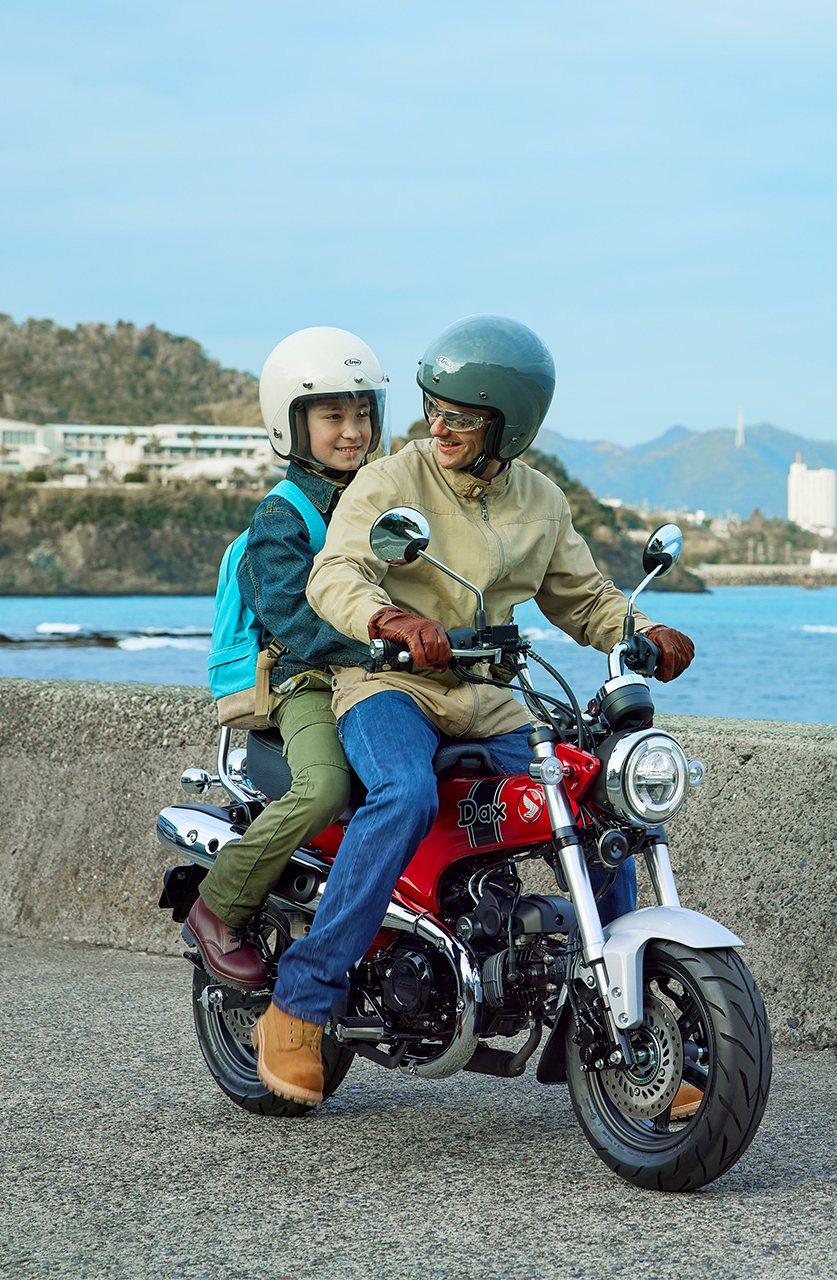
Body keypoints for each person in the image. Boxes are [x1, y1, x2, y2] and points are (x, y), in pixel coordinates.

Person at [251, 314, 695, 1104]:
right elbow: (336, 573)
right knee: (404, 793)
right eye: (433, 407)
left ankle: (610, 1017)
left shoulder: (542, 501)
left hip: (489, 698)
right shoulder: (391, 483)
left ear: (507, 426)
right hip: (390, 686)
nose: (439, 426)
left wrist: (642, 629)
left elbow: (583, 598)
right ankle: (301, 1003)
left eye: (460, 416)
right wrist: (389, 619)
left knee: (594, 799)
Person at [184, 326, 386, 987]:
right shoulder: (283, 516)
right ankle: (218, 906)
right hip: (307, 679)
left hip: (381, 673)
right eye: (332, 416)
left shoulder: (383, 498)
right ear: (291, 424)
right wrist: (380, 643)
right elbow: (293, 619)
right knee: (325, 786)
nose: (352, 431)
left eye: (363, 413)